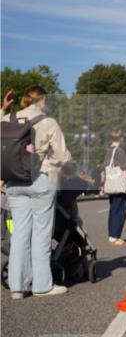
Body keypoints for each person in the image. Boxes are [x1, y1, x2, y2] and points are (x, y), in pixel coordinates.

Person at [3, 85, 71, 299]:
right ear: (44, 100)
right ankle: (42, 286)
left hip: (13, 183)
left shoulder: (8, 120)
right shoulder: (48, 122)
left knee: (19, 235)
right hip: (40, 180)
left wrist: (3, 109)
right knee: (41, 235)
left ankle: (17, 287)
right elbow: (63, 156)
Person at [101, 129, 126, 246]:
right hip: (119, 185)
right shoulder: (119, 151)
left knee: (113, 209)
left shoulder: (108, 150)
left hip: (111, 184)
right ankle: (115, 236)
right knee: (120, 210)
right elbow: (125, 166)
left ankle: (112, 236)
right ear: (120, 139)